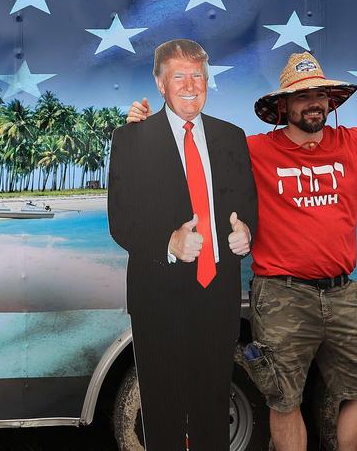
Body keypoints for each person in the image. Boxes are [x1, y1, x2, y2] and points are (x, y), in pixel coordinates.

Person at [128, 51, 357, 451]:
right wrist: (143, 133)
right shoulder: (252, 150)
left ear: (331, 101)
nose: (313, 102)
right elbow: (189, 155)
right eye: (302, 95)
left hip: (342, 294)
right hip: (280, 295)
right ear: (284, 105)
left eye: (320, 94)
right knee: (284, 398)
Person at [107, 38, 258, 451]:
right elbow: (121, 222)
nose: (191, 85)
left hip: (217, 298)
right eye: (179, 76)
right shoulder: (131, 139)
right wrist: (170, 243)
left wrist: (246, 232)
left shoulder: (232, 137)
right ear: (160, 83)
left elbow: (248, 208)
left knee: (213, 411)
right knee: (163, 416)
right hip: (157, 300)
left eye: (198, 75)